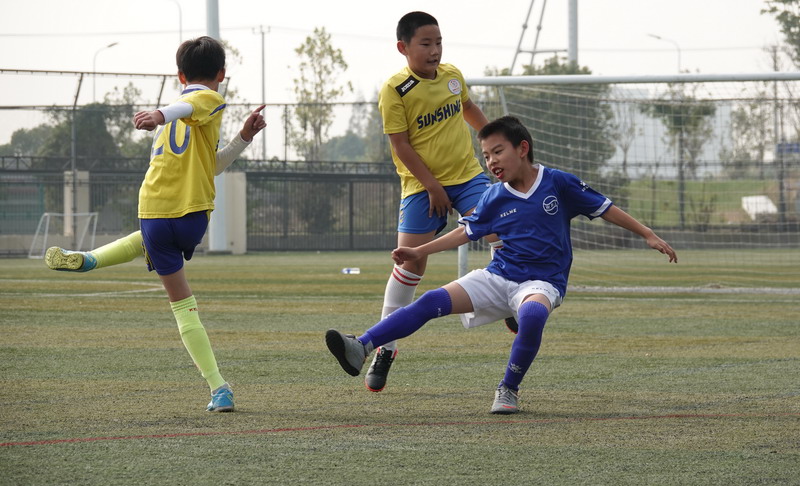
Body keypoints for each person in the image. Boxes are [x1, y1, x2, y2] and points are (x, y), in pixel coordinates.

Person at [325, 115, 677, 414]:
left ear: (522, 148)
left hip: (542, 283)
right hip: (499, 276)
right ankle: (362, 346)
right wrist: (420, 252)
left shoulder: (558, 182)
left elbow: (605, 208)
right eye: (485, 156)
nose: (491, 162)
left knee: (533, 315)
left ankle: (508, 388)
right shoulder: (494, 195)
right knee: (432, 300)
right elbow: (465, 233)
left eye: (497, 152)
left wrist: (647, 234)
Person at [44, 36, 266, 413]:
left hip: (153, 210)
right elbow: (191, 104)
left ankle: (90, 260)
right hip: (191, 214)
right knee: (183, 303)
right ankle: (219, 388)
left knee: (165, 272)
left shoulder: (180, 119)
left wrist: (242, 137)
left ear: (179, 75)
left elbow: (209, 163)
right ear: (222, 74)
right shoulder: (207, 100)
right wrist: (161, 114)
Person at [370, 11, 502, 393]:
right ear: (403, 47)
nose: (435, 50)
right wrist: (431, 186)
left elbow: (469, 108)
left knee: (501, 231)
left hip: (468, 176)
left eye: (439, 42)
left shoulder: (452, 76)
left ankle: (508, 300)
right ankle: (385, 348)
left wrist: (496, 141)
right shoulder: (395, 90)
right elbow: (400, 145)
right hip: (420, 186)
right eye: (426, 44)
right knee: (410, 262)